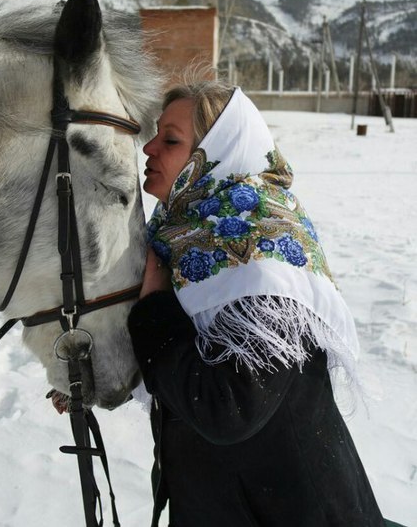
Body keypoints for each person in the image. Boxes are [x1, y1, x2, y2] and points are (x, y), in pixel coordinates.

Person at [127, 81, 383, 527]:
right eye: (156, 133)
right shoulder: (180, 235)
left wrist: (154, 309)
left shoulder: (265, 252)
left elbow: (229, 406)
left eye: (170, 140)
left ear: (217, 157)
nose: (148, 147)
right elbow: (177, 360)